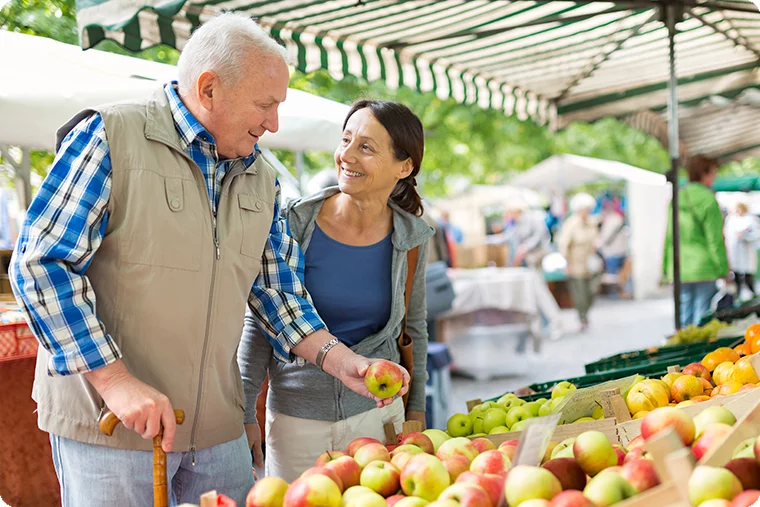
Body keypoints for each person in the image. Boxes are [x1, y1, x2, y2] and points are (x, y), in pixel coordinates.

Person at [9, 15, 407, 507]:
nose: (274, 122)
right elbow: (41, 264)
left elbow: (278, 295)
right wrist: (115, 382)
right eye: (266, 104)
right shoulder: (110, 136)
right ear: (209, 88)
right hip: (110, 423)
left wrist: (343, 361)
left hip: (218, 432)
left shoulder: (263, 178)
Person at [239, 100, 434, 482]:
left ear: (404, 166)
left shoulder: (412, 238)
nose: (345, 155)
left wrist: (416, 409)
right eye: (345, 140)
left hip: (379, 417)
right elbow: (262, 319)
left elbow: (416, 326)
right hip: (297, 421)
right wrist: (245, 411)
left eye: (366, 147)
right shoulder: (295, 222)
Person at [663, 155, 729, 328]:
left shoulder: (677, 197)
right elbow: (715, 239)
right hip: (703, 267)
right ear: (705, 173)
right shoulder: (708, 199)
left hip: (680, 268)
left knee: (684, 322)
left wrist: (665, 268)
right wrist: (723, 269)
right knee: (703, 320)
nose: (714, 177)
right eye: (713, 172)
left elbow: (670, 237)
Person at [557, 193, 599, 331]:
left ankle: (585, 314)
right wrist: (566, 264)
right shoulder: (571, 224)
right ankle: (583, 318)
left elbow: (595, 239)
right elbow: (564, 245)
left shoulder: (591, 223)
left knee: (592, 290)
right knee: (580, 294)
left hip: (590, 264)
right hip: (576, 264)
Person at [725, 200, 760, 299]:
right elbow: (727, 235)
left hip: (746, 250)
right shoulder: (731, 219)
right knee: (736, 274)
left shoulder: (751, 219)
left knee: (748, 275)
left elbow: (756, 234)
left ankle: (753, 294)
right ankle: (737, 294)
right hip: (734, 250)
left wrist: (745, 236)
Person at [502, 200, 550, 268]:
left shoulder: (533, 218)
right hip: (527, 257)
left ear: (515, 211)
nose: (506, 214)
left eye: (508, 212)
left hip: (538, 255)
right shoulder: (516, 223)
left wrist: (526, 246)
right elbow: (507, 237)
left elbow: (540, 234)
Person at [599, 199, 631, 298]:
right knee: (619, 274)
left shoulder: (611, 221)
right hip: (621, 250)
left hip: (612, 251)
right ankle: (620, 293)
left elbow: (605, 238)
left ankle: (615, 294)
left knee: (613, 275)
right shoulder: (618, 219)